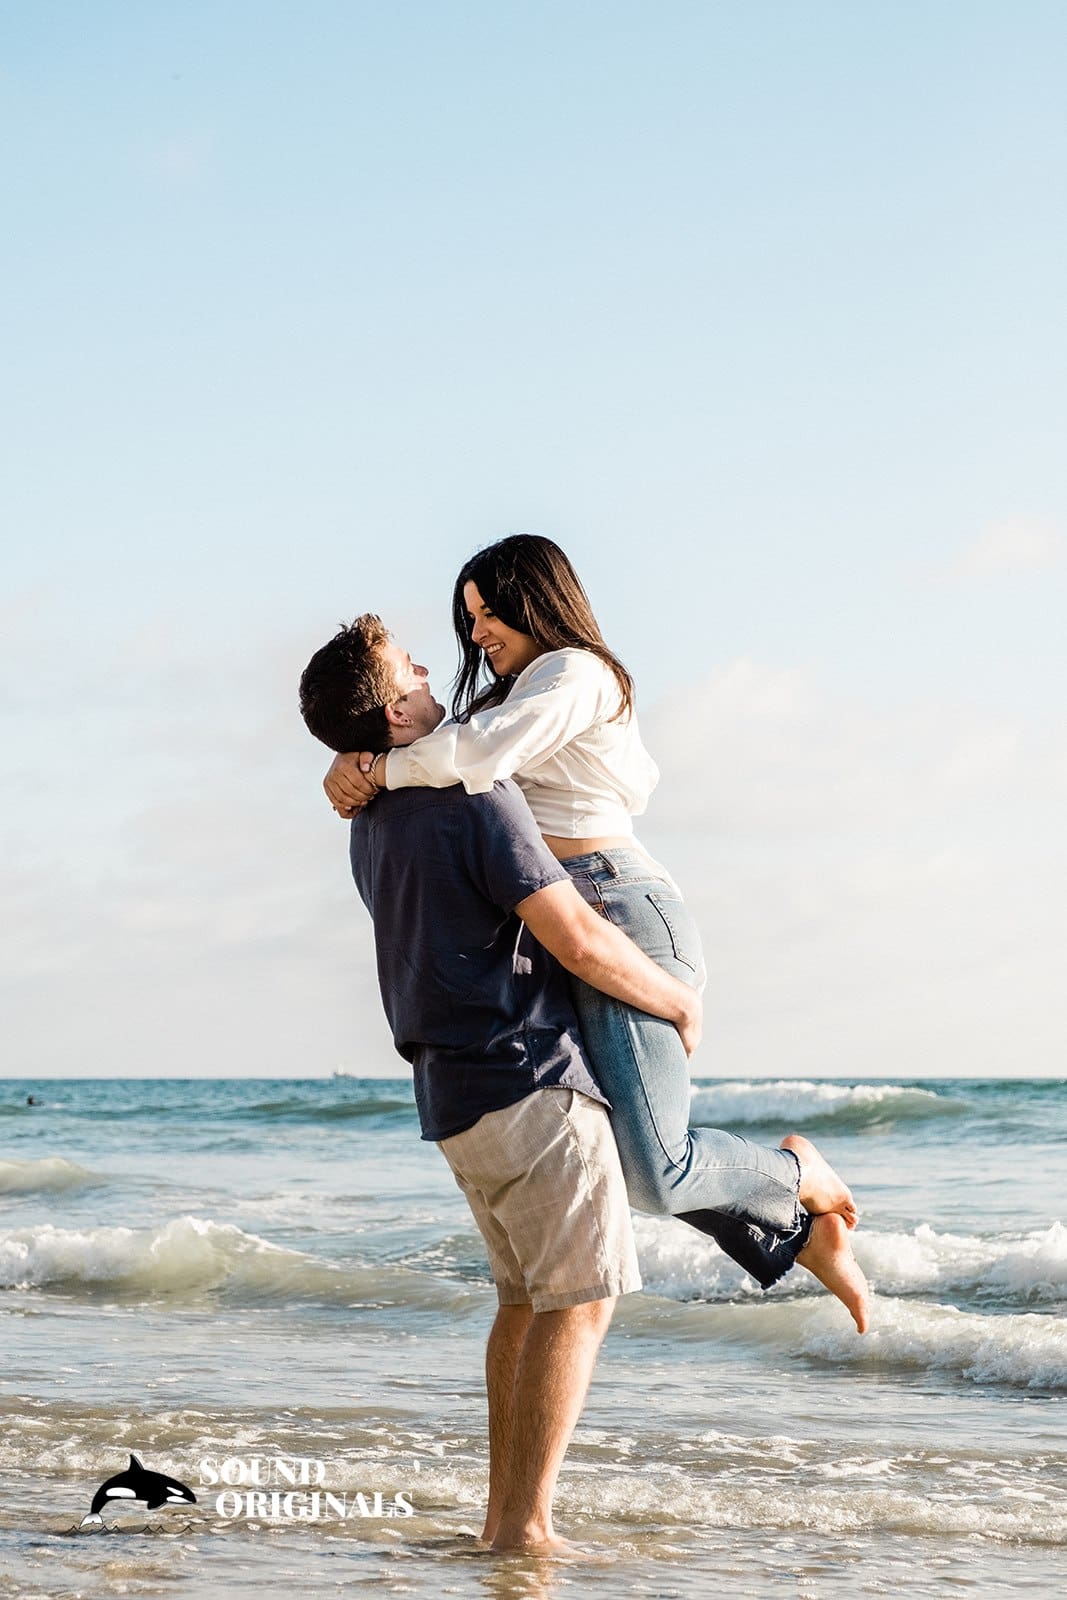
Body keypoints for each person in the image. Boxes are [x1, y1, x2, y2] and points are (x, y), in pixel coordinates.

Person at [322, 539, 869, 1330]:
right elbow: (438, 742)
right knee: (629, 1155)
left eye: (488, 613)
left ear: (538, 599)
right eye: (468, 618)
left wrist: (372, 769)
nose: (476, 634)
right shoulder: (507, 699)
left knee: (654, 1170)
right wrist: (348, 756)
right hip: (563, 921)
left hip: (620, 911)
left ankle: (796, 1175)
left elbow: (477, 758)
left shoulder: (575, 674)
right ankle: (795, 1233)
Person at [300, 616, 708, 1553]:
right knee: (580, 1301)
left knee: (524, 1300)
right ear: (399, 709)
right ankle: (523, 1530)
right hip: (527, 1079)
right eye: (408, 667)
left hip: (451, 1098)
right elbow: (575, 937)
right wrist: (674, 1000)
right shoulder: (473, 798)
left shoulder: (368, 821)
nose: (427, 668)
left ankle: (502, 1521)